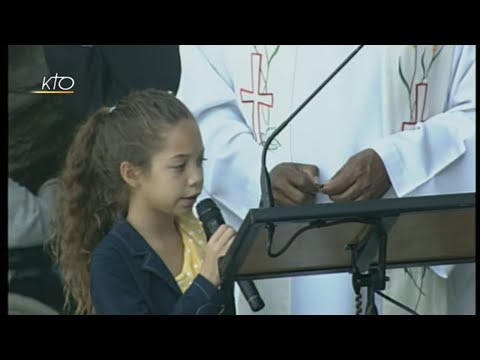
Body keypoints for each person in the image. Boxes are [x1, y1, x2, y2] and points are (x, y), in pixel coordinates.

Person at [177, 45, 475, 315]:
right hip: (282, 246)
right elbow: (204, 115)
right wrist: (260, 180)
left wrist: (396, 163)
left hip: (397, 250)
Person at [51, 89, 236, 315]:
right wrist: (206, 284)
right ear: (132, 174)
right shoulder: (112, 261)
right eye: (179, 167)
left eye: (200, 161)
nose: (196, 177)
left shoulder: (202, 232)